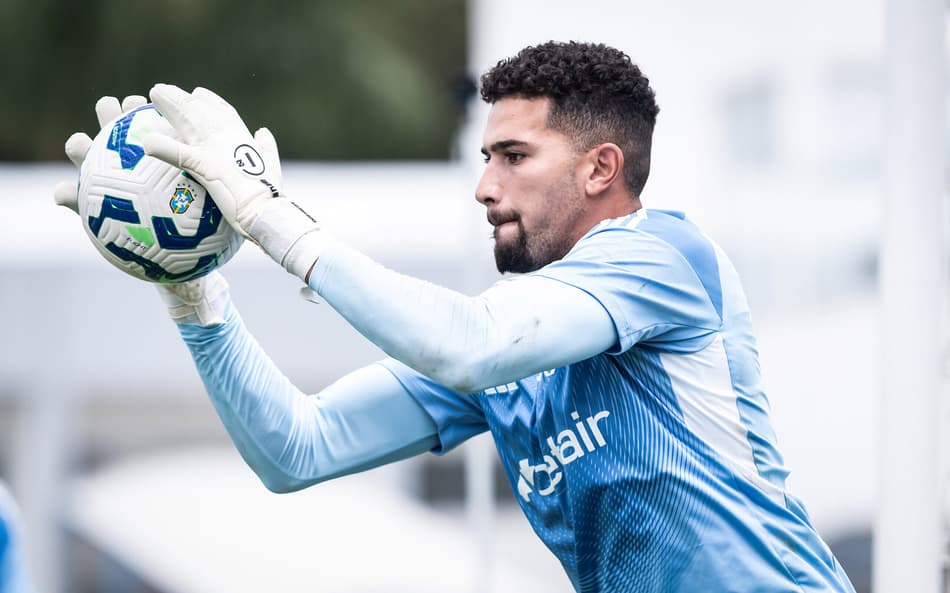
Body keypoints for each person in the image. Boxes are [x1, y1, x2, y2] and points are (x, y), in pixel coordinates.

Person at [56, 42, 856, 593]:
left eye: (513, 156)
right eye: (484, 159)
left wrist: (270, 215)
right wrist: (194, 297)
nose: (484, 186)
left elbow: (467, 344)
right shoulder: (509, 350)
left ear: (600, 168)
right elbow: (295, 448)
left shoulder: (664, 256)